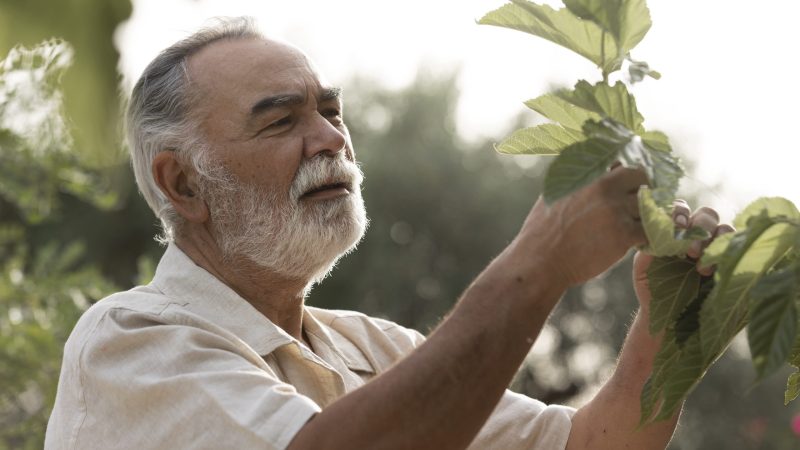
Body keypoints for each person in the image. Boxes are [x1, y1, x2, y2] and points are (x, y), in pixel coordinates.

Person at [45, 17, 730, 450]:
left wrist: (665, 339)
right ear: (182, 184)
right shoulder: (131, 341)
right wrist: (539, 264)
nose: (329, 139)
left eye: (331, 110)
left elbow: (587, 446)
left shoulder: (372, 350)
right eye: (281, 122)